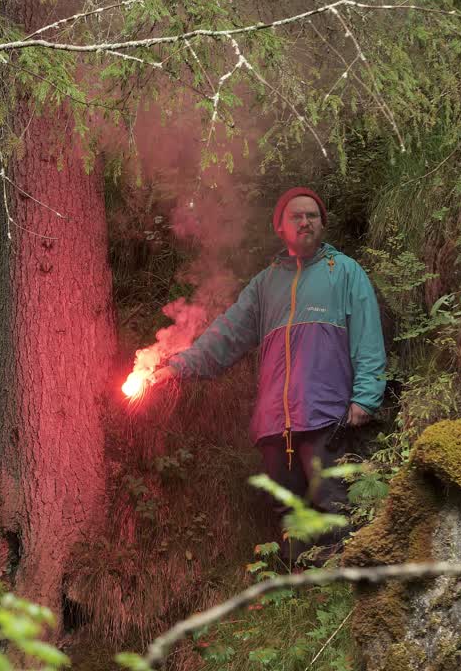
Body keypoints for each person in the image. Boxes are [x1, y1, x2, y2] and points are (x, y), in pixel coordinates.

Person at [149, 186, 386, 560]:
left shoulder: (343, 272)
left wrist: (366, 396)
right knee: (289, 514)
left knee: (333, 505)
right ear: (280, 227)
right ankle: (300, 600)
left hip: (326, 415)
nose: (306, 221)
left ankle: (339, 591)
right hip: (275, 424)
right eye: (297, 216)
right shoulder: (265, 284)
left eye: (313, 215)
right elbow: (226, 336)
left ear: (322, 224)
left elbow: (368, 337)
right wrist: (177, 366)